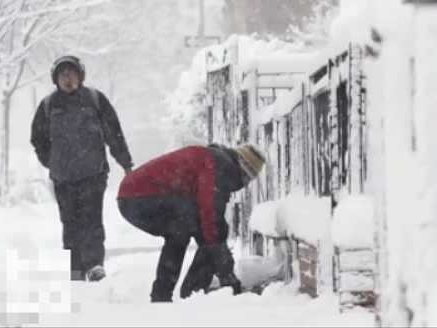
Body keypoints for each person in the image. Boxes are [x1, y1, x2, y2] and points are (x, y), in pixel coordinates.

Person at [116, 143, 265, 302]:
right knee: (188, 231)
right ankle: (187, 293)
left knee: (188, 231)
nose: (246, 184)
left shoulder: (215, 160)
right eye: (248, 178)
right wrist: (221, 260)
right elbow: (210, 211)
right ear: (243, 170)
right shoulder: (220, 165)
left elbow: (209, 216)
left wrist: (219, 253)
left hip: (133, 195)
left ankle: (179, 293)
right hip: (138, 197)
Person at [30, 55, 134, 282]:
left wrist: (125, 162)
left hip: (93, 174)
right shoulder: (48, 106)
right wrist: (51, 161)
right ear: (56, 79)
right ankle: (75, 268)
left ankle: (94, 264)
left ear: (80, 76)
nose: (68, 78)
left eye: (72, 73)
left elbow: (114, 134)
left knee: (92, 220)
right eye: (63, 74)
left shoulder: (95, 100)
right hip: (63, 177)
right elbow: (37, 139)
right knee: (69, 222)